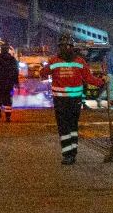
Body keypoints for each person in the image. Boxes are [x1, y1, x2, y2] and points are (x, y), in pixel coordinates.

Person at [43, 36, 103, 165]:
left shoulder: (54, 61)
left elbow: (43, 73)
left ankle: (67, 155)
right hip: (75, 101)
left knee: (64, 128)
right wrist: (102, 82)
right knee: (73, 126)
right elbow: (89, 78)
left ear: (60, 47)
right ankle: (73, 153)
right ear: (73, 47)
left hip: (60, 101)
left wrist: (43, 72)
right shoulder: (80, 61)